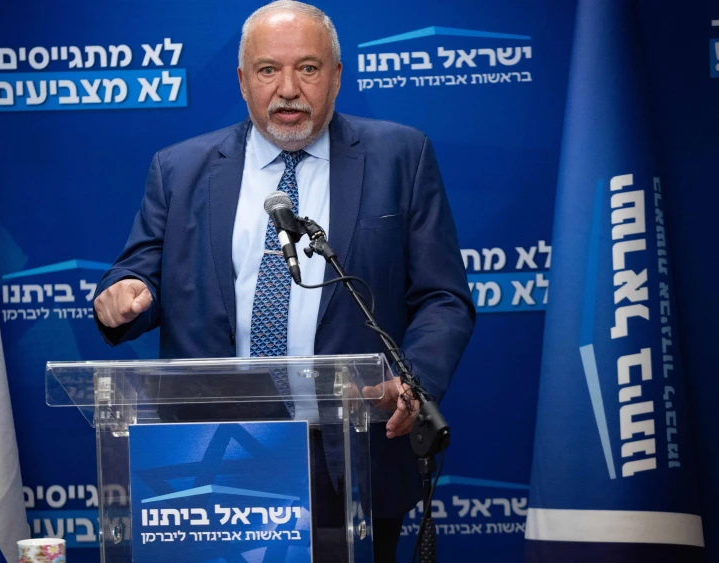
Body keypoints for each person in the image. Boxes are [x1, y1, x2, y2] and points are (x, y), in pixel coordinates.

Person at [93, 1, 475, 559]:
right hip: (211, 453)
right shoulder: (179, 168)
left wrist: (411, 379)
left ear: (337, 77)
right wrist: (121, 296)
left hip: (350, 449)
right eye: (269, 70)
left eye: (310, 68)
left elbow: (444, 297)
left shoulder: (401, 155)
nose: (289, 89)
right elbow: (137, 273)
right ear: (244, 81)